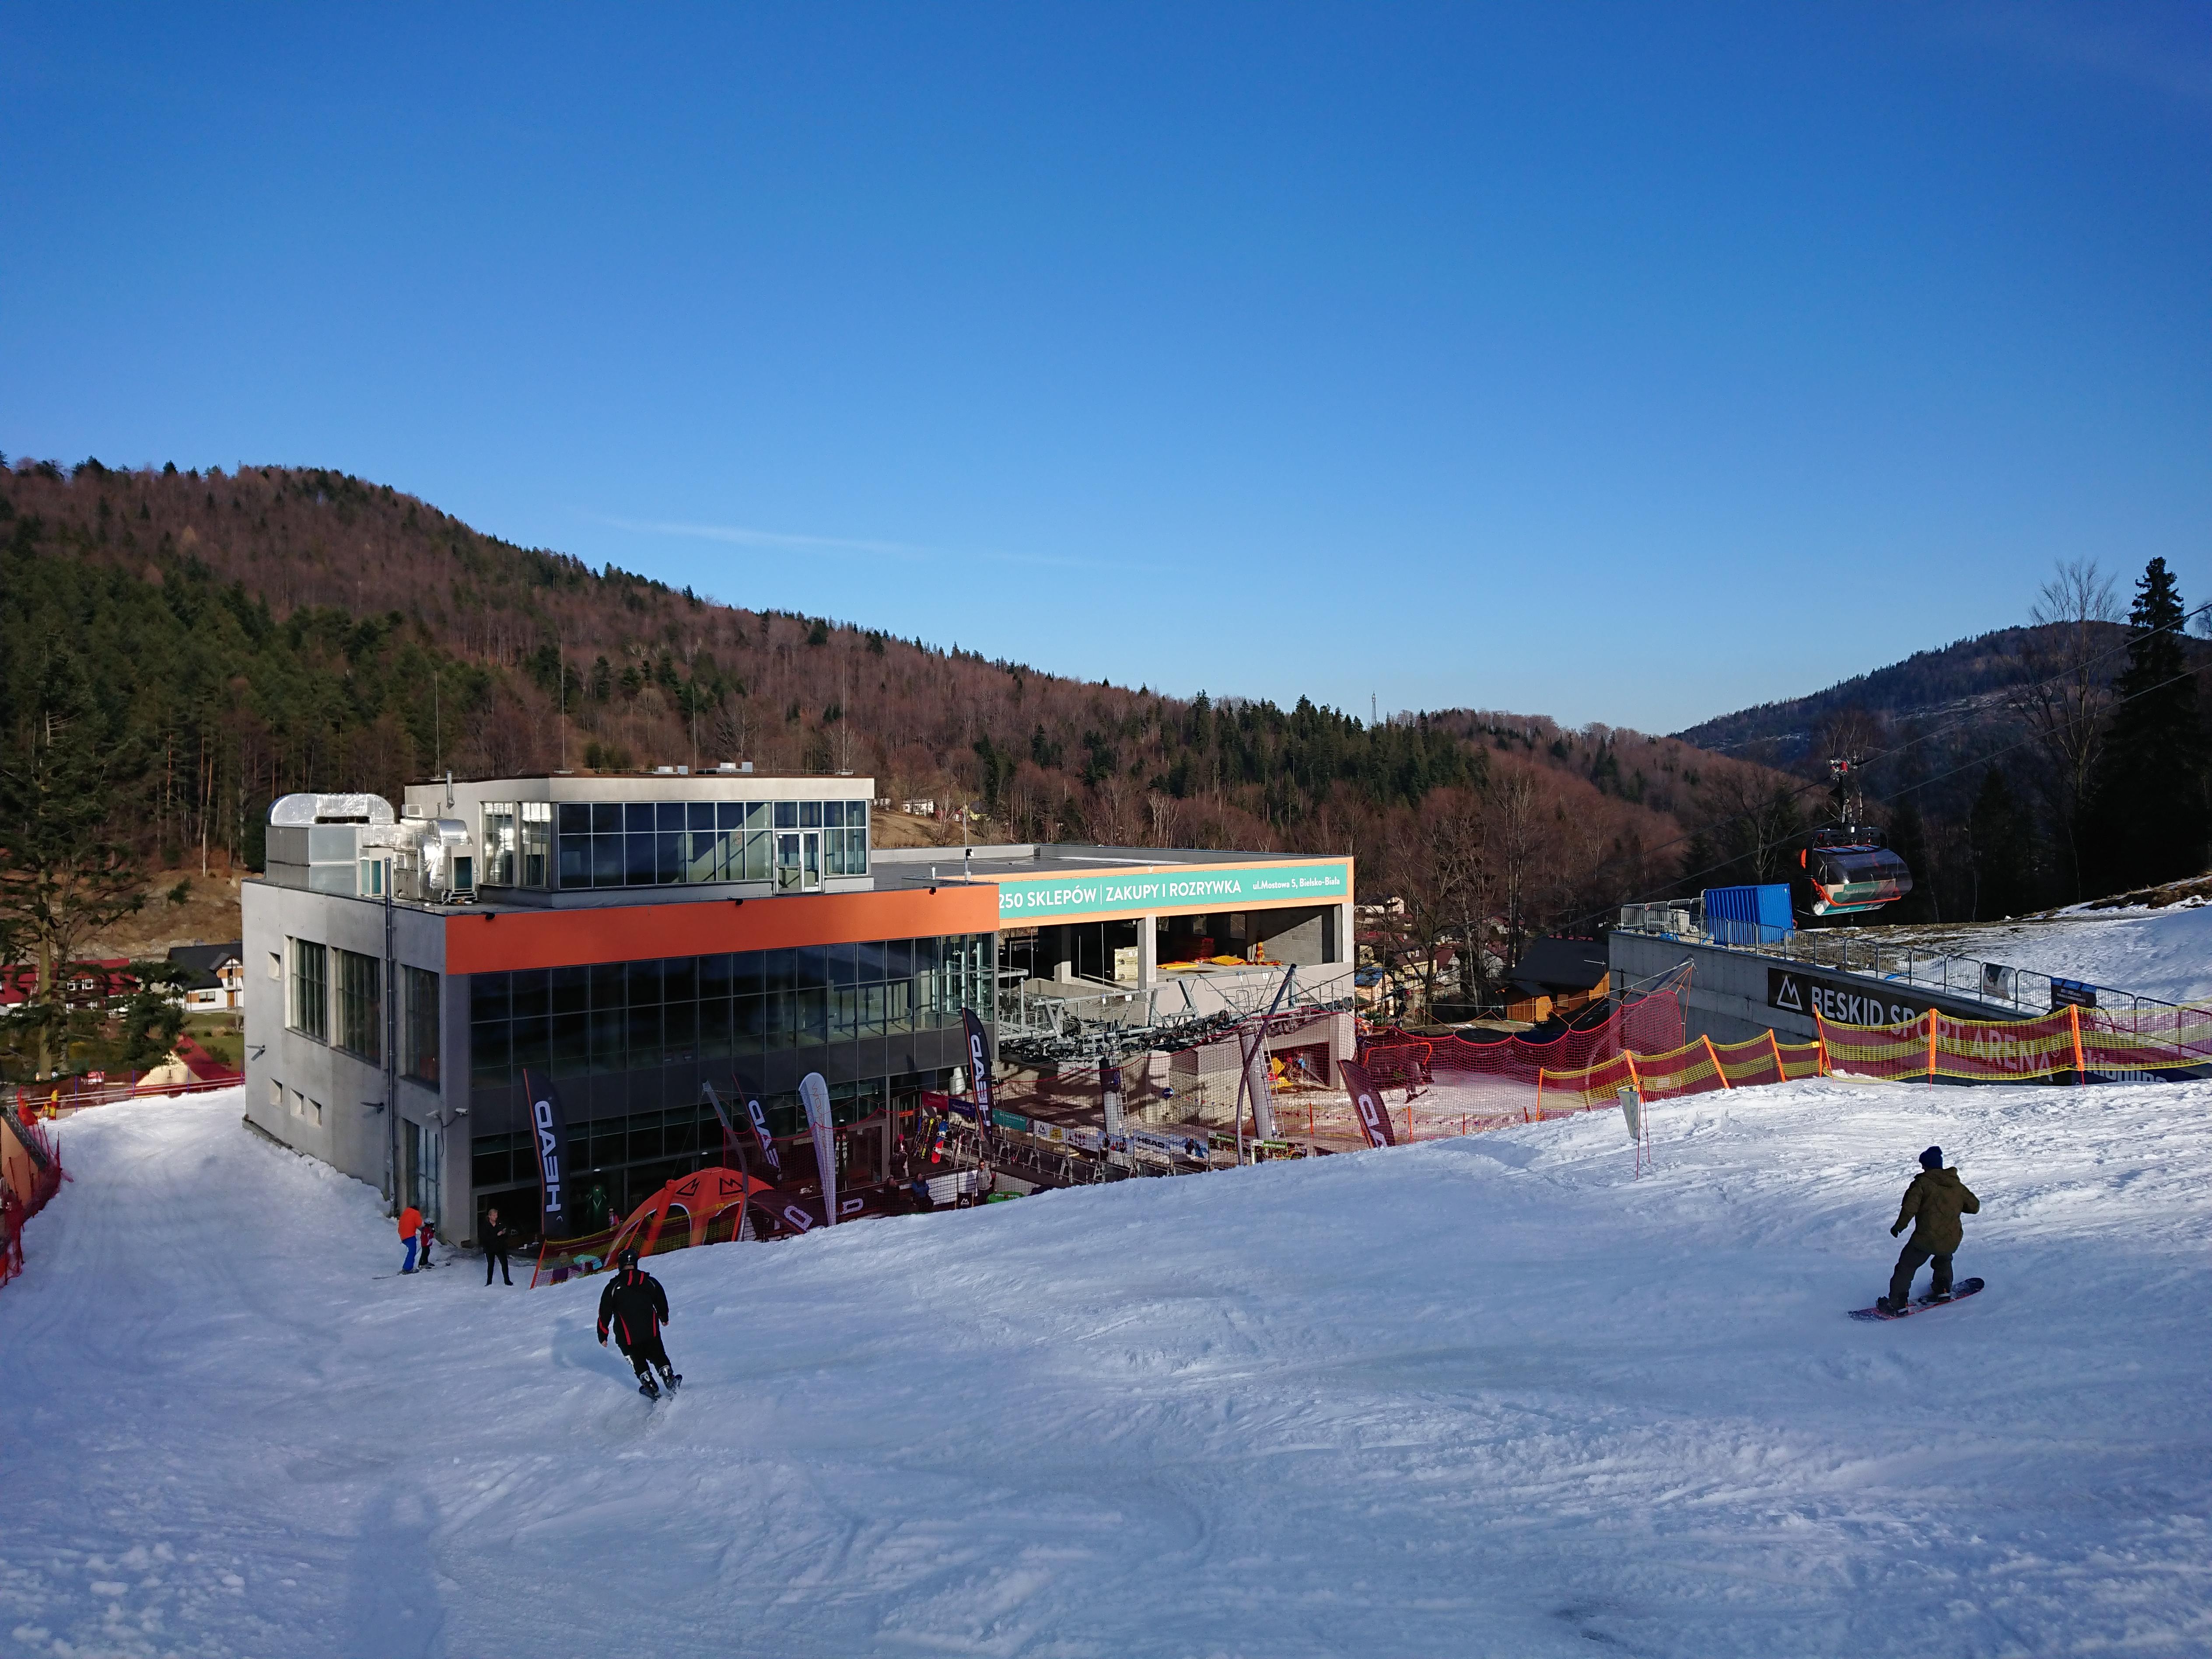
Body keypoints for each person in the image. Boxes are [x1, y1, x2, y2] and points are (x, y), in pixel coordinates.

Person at [1882, 1145, 1979, 1314]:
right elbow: (1974, 1207)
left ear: (1927, 1165)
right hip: (1951, 1237)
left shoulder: (1922, 1184)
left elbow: (1909, 1208)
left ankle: (1897, 1304)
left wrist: (1899, 1226)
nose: (1922, 1168)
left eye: (1923, 1165)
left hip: (1926, 1238)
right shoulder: (1956, 1185)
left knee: (1906, 1267)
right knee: (1943, 1258)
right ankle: (1943, 1290)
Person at [596, 1247, 679, 1397]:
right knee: (658, 1353)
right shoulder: (650, 1282)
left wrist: (603, 1335)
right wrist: (664, 1317)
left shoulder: (613, 1287)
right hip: (650, 1330)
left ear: (620, 1265)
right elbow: (661, 1300)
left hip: (626, 1336)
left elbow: (604, 1312)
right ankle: (668, 1377)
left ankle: (650, 1386)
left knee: (637, 1360)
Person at [482, 1207, 514, 1286]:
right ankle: (489, 1282)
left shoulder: (500, 1223)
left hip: (500, 1247)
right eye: (494, 1216)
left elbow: (506, 1233)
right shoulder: (486, 1226)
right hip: (490, 1248)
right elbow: (485, 1238)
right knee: (491, 1265)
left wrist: (504, 1233)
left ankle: (507, 1281)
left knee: (504, 1264)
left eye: (496, 1215)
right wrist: (496, 1235)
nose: (496, 1217)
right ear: (490, 1216)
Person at [397, 1203, 423, 1274]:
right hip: (410, 1235)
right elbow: (419, 1224)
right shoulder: (416, 1213)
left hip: (403, 1236)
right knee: (412, 1251)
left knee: (410, 1251)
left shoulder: (405, 1213)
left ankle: (407, 1267)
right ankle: (407, 1269)